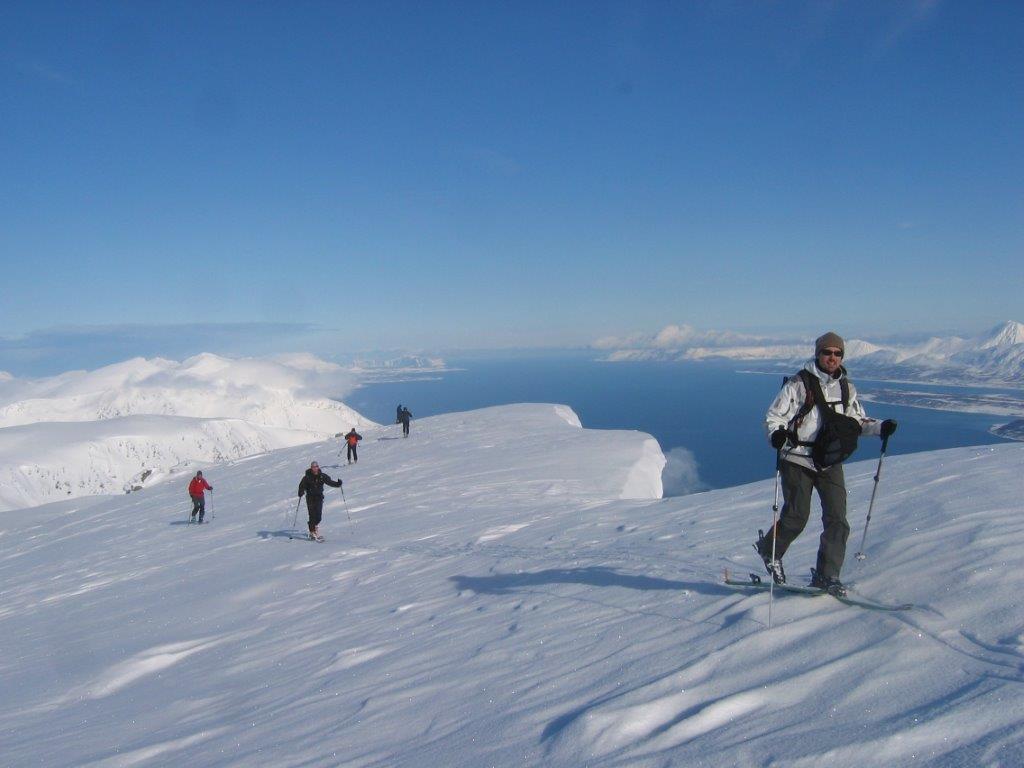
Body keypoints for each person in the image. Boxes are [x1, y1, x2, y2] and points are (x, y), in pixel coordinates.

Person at [755, 331, 898, 596]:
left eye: (837, 353)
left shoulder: (846, 387)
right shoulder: (799, 384)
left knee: (838, 520)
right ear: (818, 353)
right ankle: (770, 550)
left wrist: (880, 428)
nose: (832, 357)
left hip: (829, 461)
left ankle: (827, 575)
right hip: (797, 459)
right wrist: (777, 434)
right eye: (827, 352)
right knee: (797, 516)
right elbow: (773, 417)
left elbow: (855, 421)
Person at [297, 461, 342, 540]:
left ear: (318, 467)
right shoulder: (307, 477)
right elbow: (301, 486)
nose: (315, 468)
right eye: (313, 467)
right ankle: (312, 532)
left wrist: (337, 484)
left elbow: (329, 482)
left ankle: (315, 526)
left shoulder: (322, 476)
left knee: (318, 516)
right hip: (310, 498)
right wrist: (301, 492)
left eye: (316, 466)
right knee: (312, 515)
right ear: (311, 468)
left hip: (319, 497)